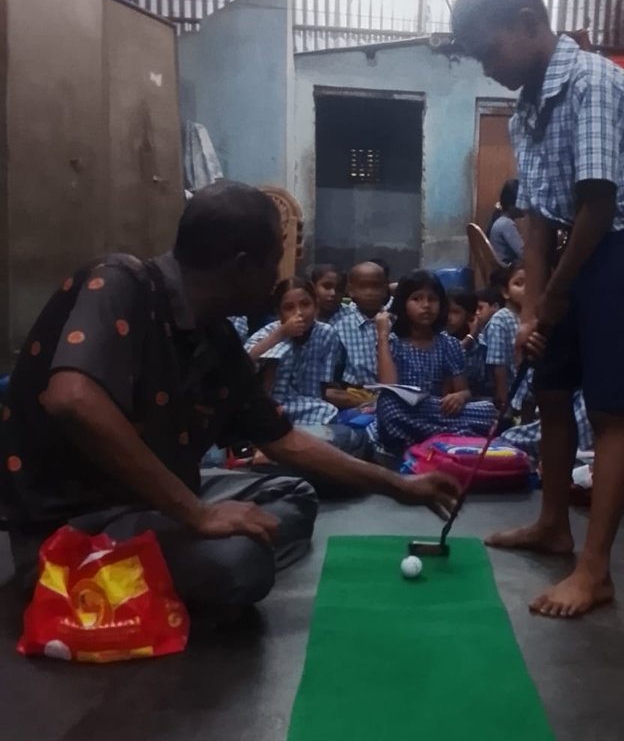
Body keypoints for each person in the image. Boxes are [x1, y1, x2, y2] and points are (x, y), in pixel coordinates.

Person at [0, 181, 457, 622]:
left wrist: (401, 486)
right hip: (76, 528)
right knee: (239, 566)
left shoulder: (215, 334)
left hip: (156, 501)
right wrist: (196, 514)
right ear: (241, 266)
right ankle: (97, 580)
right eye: (274, 263)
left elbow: (284, 441)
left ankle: (166, 566)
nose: (279, 278)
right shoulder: (121, 282)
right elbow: (72, 399)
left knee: (292, 494)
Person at [452, 0, 624, 618]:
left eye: (489, 50)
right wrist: (531, 303)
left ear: (528, 23)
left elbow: (597, 207)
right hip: (573, 258)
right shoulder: (524, 109)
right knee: (550, 392)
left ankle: (595, 571)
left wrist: (555, 295)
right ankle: (553, 525)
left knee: (606, 412)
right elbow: (539, 216)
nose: (488, 67)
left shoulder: (595, 83)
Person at [374, 270, 497, 453]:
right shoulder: (393, 343)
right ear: (403, 305)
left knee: (487, 410)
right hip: (407, 410)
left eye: (432, 299)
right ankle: (453, 436)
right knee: (388, 405)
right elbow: (389, 385)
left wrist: (459, 397)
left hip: (438, 411)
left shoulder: (449, 344)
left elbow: (463, 390)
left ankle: (429, 437)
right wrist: (383, 335)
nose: (426, 305)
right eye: (416, 299)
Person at [244, 278, 342, 427]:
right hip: (271, 404)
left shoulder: (327, 334)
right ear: (279, 313)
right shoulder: (271, 332)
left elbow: (323, 385)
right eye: (289, 308)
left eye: (305, 304)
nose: (299, 313)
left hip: (308, 405)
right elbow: (244, 361)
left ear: (316, 305)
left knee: (329, 412)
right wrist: (281, 333)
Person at [330, 261, 391, 401]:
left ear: (384, 289)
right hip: (355, 393)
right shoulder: (340, 326)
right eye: (363, 287)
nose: (369, 293)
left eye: (375, 286)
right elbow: (335, 371)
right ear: (351, 290)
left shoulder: (395, 322)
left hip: (391, 391)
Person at [483, 261, 527, 407]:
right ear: (506, 292)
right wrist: (503, 401)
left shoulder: (532, 318)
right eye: (519, 284)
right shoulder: (501, 319)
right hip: (510, 392)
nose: (526, 289)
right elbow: (498, 365)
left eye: (531, 284)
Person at [446, 288, 488, 398]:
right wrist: (469, 337)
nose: (448, 317)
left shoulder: (482, 346)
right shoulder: (440, 341)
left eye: (455, 312)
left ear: (470, 317)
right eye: (445, 311)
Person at [488, 178, 525, 265]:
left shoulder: (500, 221)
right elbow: (524, 254)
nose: (524, 206)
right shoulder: (506, 224)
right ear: (512, 205)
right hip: (506, 273)